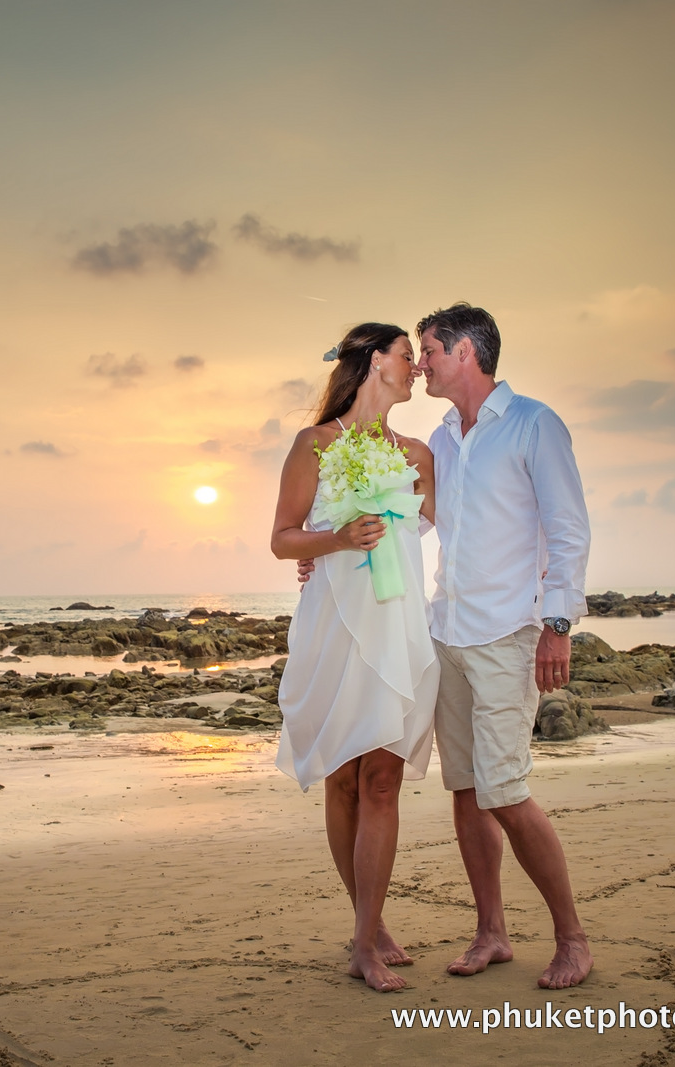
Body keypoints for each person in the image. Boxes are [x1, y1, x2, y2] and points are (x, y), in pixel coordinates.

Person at [417, 302, 594, 989]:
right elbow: (422, 523)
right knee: (465, 790)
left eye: (429, 350)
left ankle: (572, 938)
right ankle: (491, 930)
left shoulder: (533, 424)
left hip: (507, 635)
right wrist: (331, 548)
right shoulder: (443, 437)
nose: (422, 362)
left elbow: (568, 527)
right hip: (448, 634)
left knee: (507, 793)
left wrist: (558, 625)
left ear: (465, 352)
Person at [270, 322, 439, 993]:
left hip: (398, 627)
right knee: (343, 781)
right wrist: (335, 539)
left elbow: (456, 530)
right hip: (336, 627)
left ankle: (365, 943)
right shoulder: (314, 444)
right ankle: (367, 924)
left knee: (383, 781)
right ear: (376, 361)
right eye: (407, 356)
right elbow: (283, 540)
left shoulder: (420, 454)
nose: (416, 368)